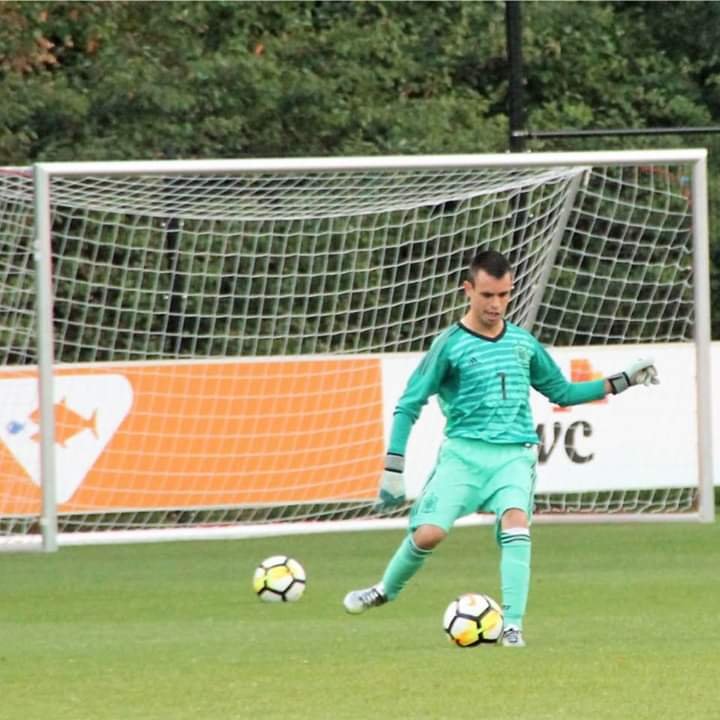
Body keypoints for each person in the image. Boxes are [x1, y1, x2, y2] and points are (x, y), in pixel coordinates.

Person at [343, 249, 659, 647]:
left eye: (504, 295)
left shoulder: (522, 343)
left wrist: (622, 381)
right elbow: (409, 403)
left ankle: (512, 626)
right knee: (428, 535)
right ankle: (384, 590)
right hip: (463, 455)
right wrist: (393, 466)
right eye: (488, 295)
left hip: (514, 455)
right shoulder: (450, 345)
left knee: (516, 523)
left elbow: (562, 391)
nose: (496, 304)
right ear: (468, 290)